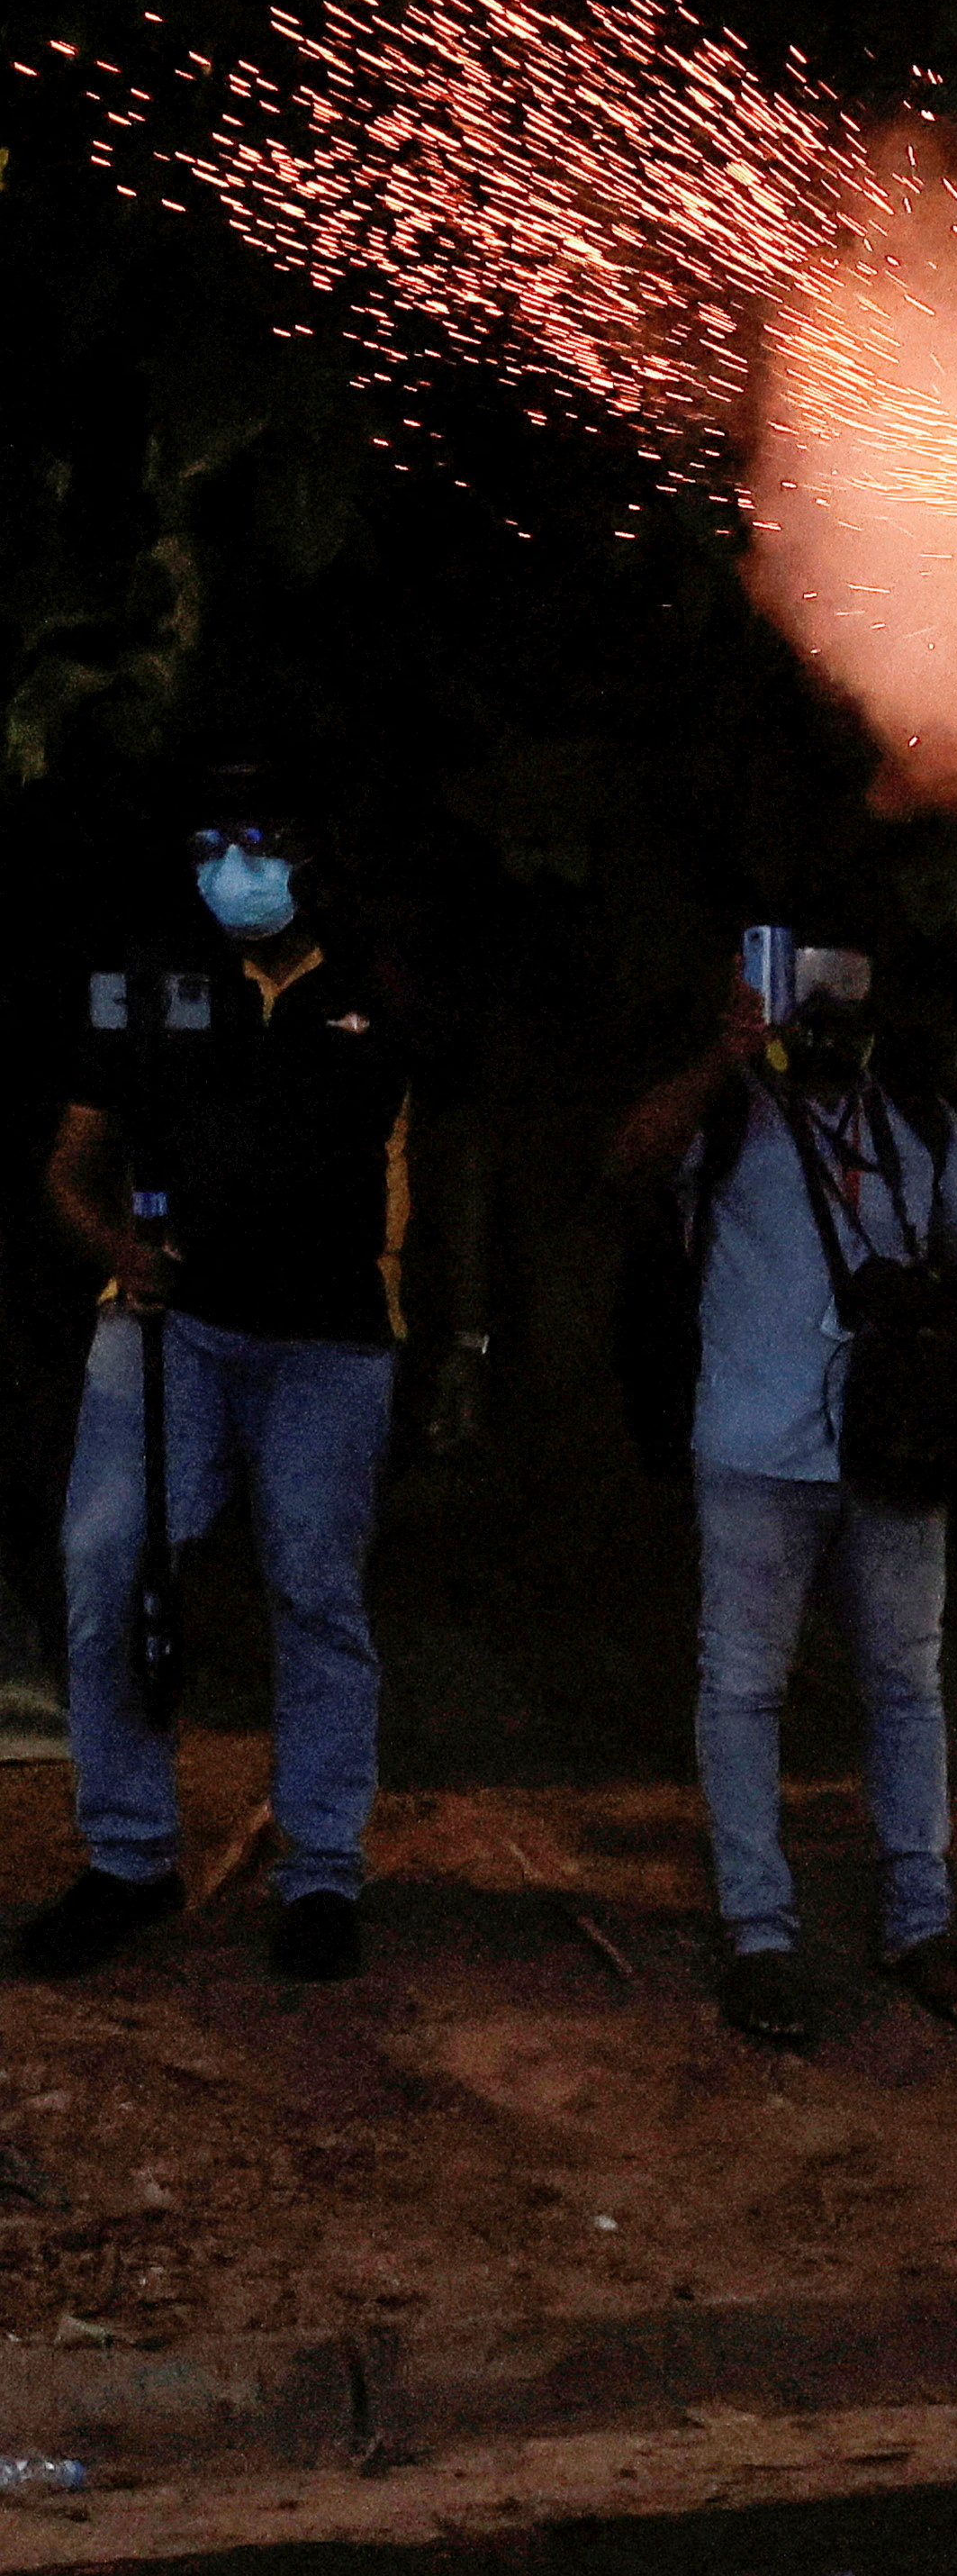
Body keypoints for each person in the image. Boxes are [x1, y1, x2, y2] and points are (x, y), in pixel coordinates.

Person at [600, 941, 957, 2046]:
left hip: (898, 1446)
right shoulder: (731, 1114)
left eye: (846, 1005)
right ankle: (760, 1936)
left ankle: (920, 1922)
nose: (830, 1027)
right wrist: (723, 1055)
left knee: (906, 1686)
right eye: (811, 1005)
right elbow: (629, 1157)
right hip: (753, 1444)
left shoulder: (917, 1123)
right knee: (743, 1689)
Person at [22, 771, 429, 1985]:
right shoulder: (157, 981)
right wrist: (122, 1251)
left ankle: (321, 1870)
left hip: (332, 1341)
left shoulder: (379, 990)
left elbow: (444, 1163)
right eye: (209, 845)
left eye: (257, 843)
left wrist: (460, 1341)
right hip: (172, 1330)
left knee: (315, 1589)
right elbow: (67, 1170)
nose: (230, 870)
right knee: (107, 1561)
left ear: (312, 855)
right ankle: (129, 1855)